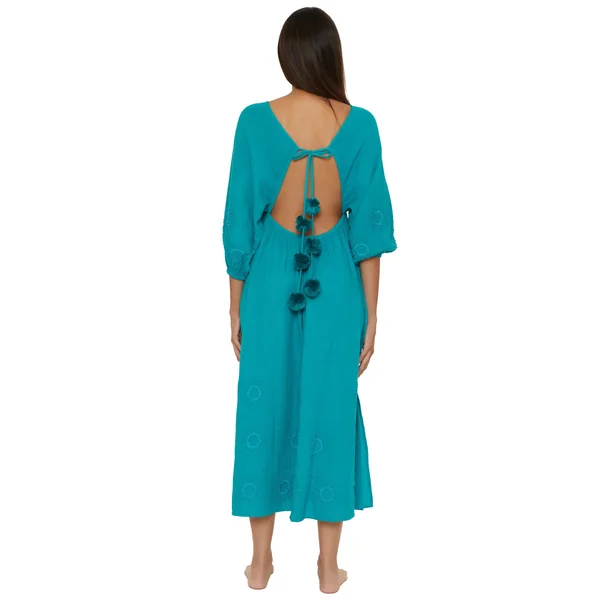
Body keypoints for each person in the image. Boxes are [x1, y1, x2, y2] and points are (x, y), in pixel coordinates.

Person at [222, 6, 396, 593]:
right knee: (331, 406)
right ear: (330, 55)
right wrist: (372, 315)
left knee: (263, 405)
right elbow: (370, 230)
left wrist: (234, 303)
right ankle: (327, 567)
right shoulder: (361, 125)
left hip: (269, 280)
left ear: (287, 55)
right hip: (338, 284)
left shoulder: (254, 121)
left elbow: (239, 222)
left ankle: (260, 562)